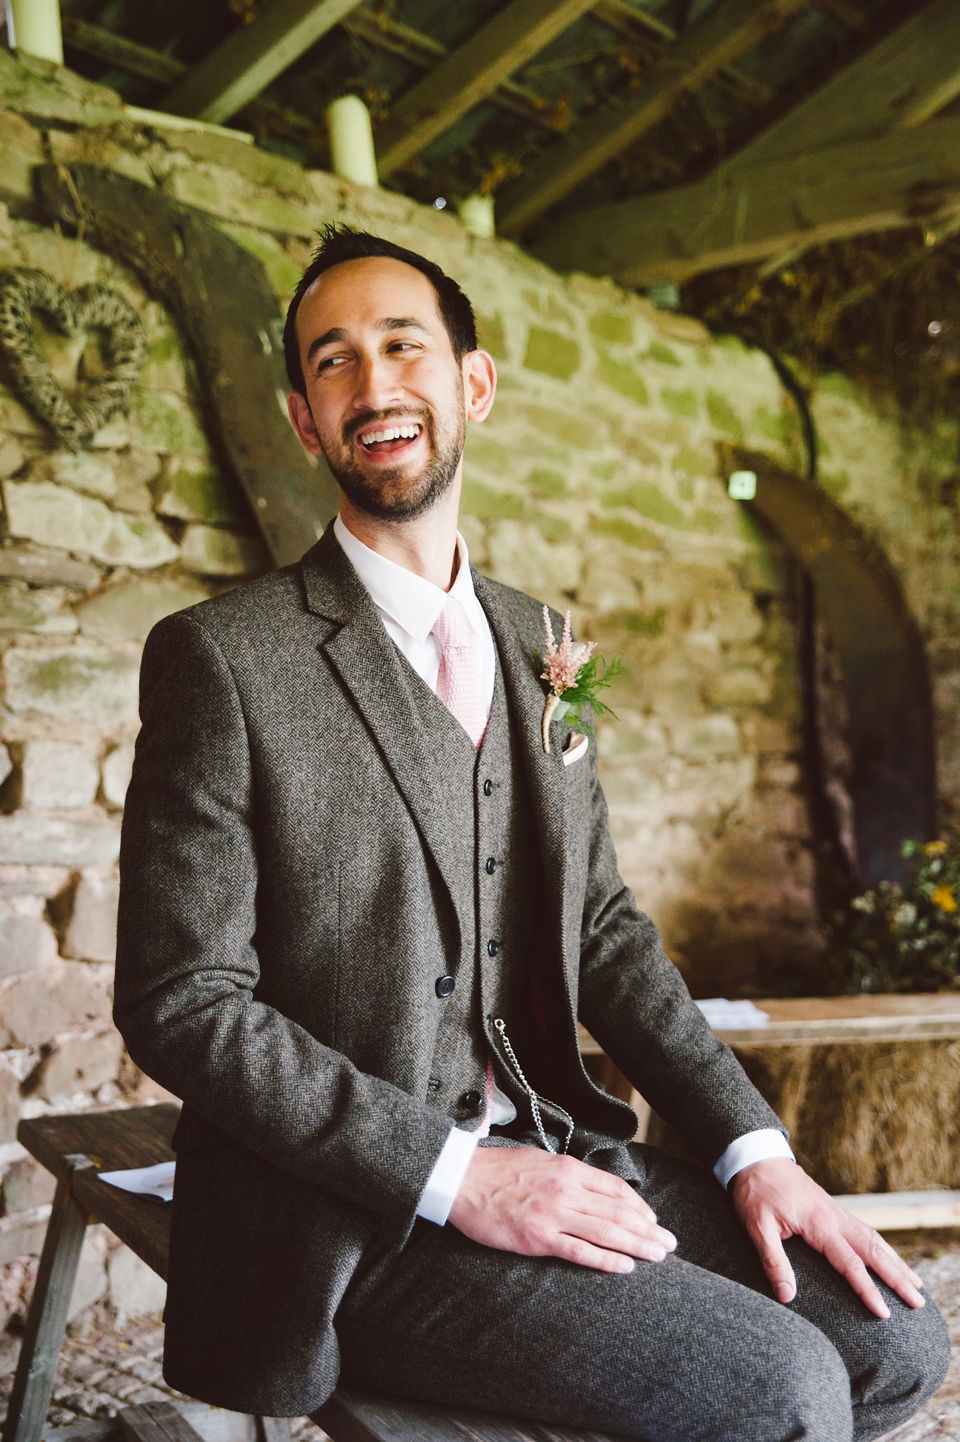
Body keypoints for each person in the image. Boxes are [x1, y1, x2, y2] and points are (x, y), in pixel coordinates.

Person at [115, 225, 948, 1442]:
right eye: (333, 362)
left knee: (894, 1344)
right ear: (304, 419)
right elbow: (181, 998)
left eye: (404, 346)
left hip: (564, 1145)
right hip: (360, 1220)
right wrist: (459, 1175)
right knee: (783, 1391)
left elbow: (602, 929)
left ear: (475, 384)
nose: (374, 386)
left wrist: (754, 1146)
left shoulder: (552, 643)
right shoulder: (221, 660)